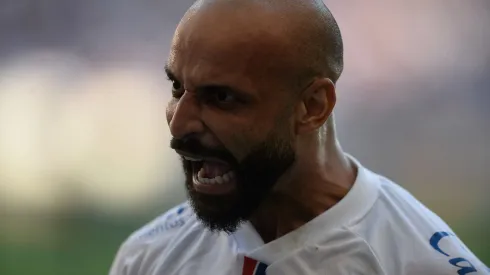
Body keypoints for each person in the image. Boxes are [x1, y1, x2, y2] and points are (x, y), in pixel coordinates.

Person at [109, 0, 489, 274]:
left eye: (221, 97)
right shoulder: (148, 256)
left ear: (312, 106)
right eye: (177, 88)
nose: (179, 125)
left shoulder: (419, 263)